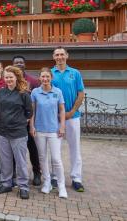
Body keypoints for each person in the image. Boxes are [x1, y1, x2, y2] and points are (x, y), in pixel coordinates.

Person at [0, 66, 33, 200]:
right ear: (4, 79)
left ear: (16, 77)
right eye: (6, 77)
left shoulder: (24, 94)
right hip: (2, 133)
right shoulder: (1, 93)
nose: (9, 79)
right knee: (5, 161)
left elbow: (29, 112)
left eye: (11, 77)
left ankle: (23, 186)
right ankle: (6, 183)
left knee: (21, 161)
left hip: (18, 134)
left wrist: (19, 122)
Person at [30, 68, 68, 199]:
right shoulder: (35, 92)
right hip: (39, 130)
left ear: (51, 77)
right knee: (42, 158)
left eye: (47, 77)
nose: (45, 79)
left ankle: (61, 185)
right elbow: (32, 112)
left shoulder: (57, 92)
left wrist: (62, 126)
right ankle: (46, 182)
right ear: (39, 78)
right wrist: (31, 126)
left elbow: (62, 110)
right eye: (43, 77)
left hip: (54, 131)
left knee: (56, 159)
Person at [52, 47, 85, 192]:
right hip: (55, 118)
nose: (60, 57)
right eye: (57, 55)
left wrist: (72, 111)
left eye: (62, 54)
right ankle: (54, 176)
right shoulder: (50, 73)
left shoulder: (75, 73)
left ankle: (76, 178)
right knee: (54, 148)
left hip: (72, 116)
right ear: (54, 57)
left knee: (75, 148)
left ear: (67, 56)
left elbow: (81, 94)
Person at [12, 55, 41, 186]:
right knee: (13, 149)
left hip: (29, 122)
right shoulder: (10, 80)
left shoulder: (33, 81)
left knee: (33, 149)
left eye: (21, 62)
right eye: (16, 62)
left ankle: (37, 173)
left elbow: (37, 103)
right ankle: (12, 173)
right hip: (14, 122)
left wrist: (32, 122)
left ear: (25, 64)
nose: (19, 64)